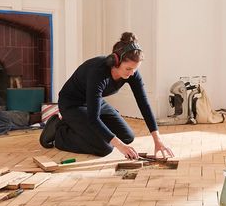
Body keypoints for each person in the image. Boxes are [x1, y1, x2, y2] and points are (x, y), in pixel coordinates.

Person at [39, 32, 174, 160]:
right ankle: (59, 132)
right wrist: (120, 147)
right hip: (72, 104)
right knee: (104, 147)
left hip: (94, 102)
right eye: (128, 69)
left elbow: (144, 104)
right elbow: (93, 118)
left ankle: (79, 127)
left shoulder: (131, 73)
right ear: (115, 62)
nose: (132, 73)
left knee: (127, 137)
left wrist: (158, 140)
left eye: (135, 69)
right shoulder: (97, 72)